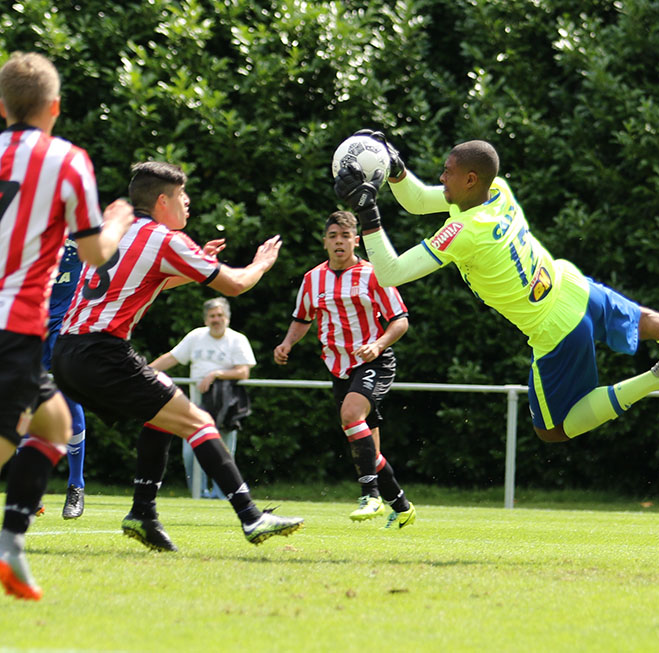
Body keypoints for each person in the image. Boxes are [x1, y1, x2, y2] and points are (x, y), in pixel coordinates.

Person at [334, 135, 659, 444]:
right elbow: (416, 201)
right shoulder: (496, 190)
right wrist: (394, 168)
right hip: (571, 285)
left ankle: (654, 380)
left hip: (553, 327)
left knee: (553, 430)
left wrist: (368, 213)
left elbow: (389, 272)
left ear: (469, 180)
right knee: (651, 322)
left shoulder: (464, 232)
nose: (441, 179)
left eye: (447, 173)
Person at [52, 161, 303, 553]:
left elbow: (153, 279)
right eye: (183, 197)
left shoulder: (116, 234)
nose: (188, 204)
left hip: (66, 351)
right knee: (199, 422)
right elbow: (235, 285)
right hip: (101, 351)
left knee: (164, 412)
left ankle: (143, 514)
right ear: (163, 200)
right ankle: (252, 517)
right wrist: (261, 264)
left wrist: (196, 260)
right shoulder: (164, 239)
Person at [0, 51, 134, 600]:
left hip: (17, 330)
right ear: (54, 107)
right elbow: (95, 253)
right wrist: (122, 218)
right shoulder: (67, 160)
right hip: (15, 324)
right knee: (13, 439)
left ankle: (11, 547)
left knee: (54, 424)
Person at [274, 210, 416, 529]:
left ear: (357, 240)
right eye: (333, 236)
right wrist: (287, 343)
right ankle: (402, 506)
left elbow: (400, 319)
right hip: (338, 368)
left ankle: (370, 496)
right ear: (324, 241)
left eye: (346, 236)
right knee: (368, 448)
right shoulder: (313, 279)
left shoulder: (374, 274)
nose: (339, 242)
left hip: (373, 361)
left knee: (351, 416)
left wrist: (377, 345)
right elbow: (302, 318)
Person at [149, 297, 256, 499]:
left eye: (220, 315)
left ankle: (223, 496)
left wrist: (216, 374)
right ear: (206, 319)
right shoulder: (196, 336)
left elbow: (243, 372)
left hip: (226, 406)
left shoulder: (237, 339)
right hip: (196, 406)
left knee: (223, 453)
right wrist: (146, 371)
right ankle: (199, 495)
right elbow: (172, 357)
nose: (216, 319)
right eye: (212, 316)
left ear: (228, 318)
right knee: (189, 454)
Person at [43, 239, 88, 519]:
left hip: (64, 330)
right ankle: (30, 485)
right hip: (25, 326)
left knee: (70, 402)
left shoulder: (83, 234)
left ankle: (76, 485)